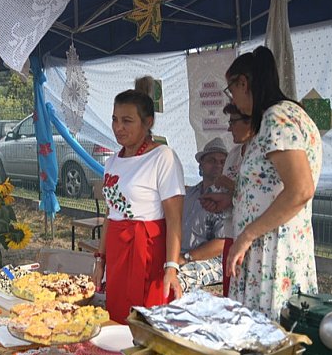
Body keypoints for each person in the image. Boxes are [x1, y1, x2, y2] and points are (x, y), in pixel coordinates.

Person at [213, 46, 323, 319]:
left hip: (272, 253)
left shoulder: (277, 118)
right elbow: (265, 186)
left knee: (264, 338)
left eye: (231, 90)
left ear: (243, 83)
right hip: (270, 248)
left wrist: (247, 235)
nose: (234, 99)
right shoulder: (288, 116)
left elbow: (300, 190)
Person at [91, 87, 185, 323]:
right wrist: (100, 261)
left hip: (148, 251)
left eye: (127, 121)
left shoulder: (163, 157)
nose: (118, 127)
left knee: (146, 320)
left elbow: (174, 219)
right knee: (117, 314)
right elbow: (110, 215)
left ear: (148, 122)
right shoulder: (112, 161)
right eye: (114, 119)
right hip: (117, 250)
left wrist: (171, 267)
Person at [176, 137, 228, 291]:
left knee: (177, 278)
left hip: (213, 261)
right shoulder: (189, 194)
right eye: (212, 160)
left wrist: (186, 258)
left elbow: (222, 243)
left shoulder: (227, 199)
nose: (217, 165)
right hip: (181, 255)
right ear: (201, 165)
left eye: (222, 162)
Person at [215, 104, 255, 296]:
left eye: (233, 122)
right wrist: (220, 201)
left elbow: (262, 194)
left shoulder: (262, 153)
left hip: (253, 237)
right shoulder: (233, 154)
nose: (229, 128)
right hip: (232, 232)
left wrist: (232, 186)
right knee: (230, 295)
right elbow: (235, 198)